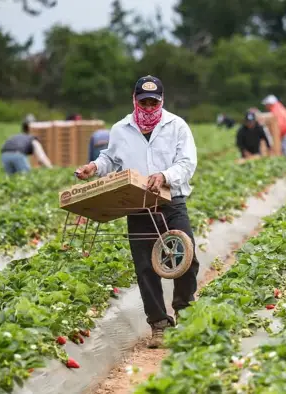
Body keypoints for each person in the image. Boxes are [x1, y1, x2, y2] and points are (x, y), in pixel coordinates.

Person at [74, 75, 199, 348]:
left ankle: (184, 311)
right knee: (145, 268)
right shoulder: (121, 128)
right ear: (135, 100)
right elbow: (111, 158)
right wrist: (94, 167)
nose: (149, 107)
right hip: (138, 204)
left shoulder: (177, 126)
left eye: (154, 102)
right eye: (144, 102)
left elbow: (187, 163)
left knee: (186, 260)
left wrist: (164, 175)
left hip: (171, 202)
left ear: (162, 101)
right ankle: (159, 324)